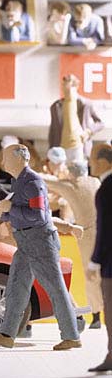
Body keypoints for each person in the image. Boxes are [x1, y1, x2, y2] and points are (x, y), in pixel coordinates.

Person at [0, 144, 80, 350]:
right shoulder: (19, 182)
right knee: (16, 287)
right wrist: (3, 213)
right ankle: (7, 334)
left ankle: (72, 336)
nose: (3, 162)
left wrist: (11, 208)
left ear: (19, 158)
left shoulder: (33, 182)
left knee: (55, 288)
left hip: (40, 242)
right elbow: (21, 213)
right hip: (26, 242)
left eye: (6, 158)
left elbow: (39, 216)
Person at [41, 160, 103, 329]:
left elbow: (47, 181)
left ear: (71, 174)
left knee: (90, 275)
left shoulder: (70, 186)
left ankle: (96, 316)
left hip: (87, 234)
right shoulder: (94, 181)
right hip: (104, 229)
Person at [87, 144, 112, 372]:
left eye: (92, 159)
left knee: (111, 312)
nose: (90, 163)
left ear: (103, 162)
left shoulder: (105, 189)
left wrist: (94, 261)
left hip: (110, 265)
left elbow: (105, 229)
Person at [48, 74, 104, 162]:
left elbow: (100, 123)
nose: (66, 87)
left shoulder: (86, 104)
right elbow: (53, 130)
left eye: (69, 84)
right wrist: (51, 150)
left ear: (76, 86)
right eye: (64, 84)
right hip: (61, 148)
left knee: (79, 168)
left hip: (80, 145)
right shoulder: (55, 106)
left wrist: (88, 131)